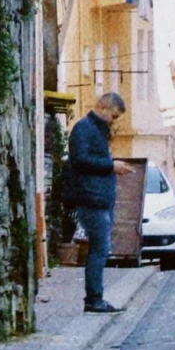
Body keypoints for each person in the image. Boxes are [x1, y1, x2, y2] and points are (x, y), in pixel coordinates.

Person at [63, 91, 127, 313]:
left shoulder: (95, 130)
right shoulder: (84, 129)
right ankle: (94, 298)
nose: (113, 121)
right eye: (114, 116)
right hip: (90, 197)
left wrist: (111, 165)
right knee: (100, 248)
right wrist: (110, 166)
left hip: (98, 197)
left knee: (101, 248)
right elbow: (79, 160)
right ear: (103, 108)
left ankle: (95, 297)